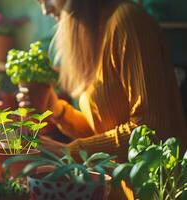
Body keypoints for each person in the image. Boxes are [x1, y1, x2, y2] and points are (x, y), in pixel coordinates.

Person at [19, 0, 187, 199]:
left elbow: (152, 130)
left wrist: (69, 151)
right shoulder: (95, 31)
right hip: (113, 190)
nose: (45, 10)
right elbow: (103, 131)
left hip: (154, 191)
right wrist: (59, 111)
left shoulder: (128, 22)